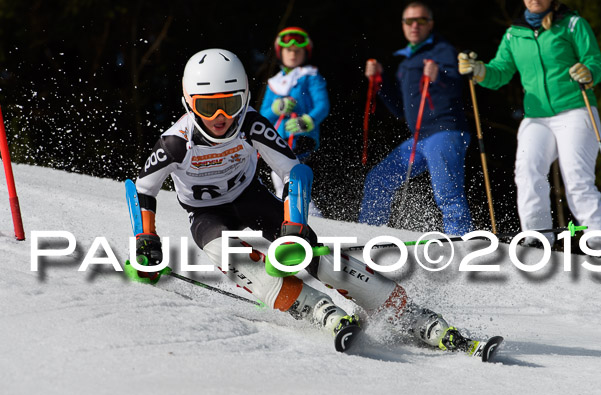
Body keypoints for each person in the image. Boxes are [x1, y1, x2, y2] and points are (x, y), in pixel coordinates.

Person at [131, 48, 479, 354]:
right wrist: (145, 238)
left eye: (230, 104)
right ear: (189, 104)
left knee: (312, 253)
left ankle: (409, 314)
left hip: (251, 197)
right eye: (208, 107)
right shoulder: (176, 143)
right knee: (229, 256)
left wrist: (293, 224)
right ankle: (317, 309)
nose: (221, 118)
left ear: (246, 97)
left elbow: (294, 173)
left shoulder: (252, 124)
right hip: (206, 214)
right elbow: (142, 189)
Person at [458, 0, 601, 248]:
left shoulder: (572, 25)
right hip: (536, 117)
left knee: (577, 179)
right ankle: (537, 239)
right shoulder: (514, 34)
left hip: (575, 110)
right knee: (527, 171)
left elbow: (595, 62)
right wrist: (479, 70)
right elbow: (500, 72)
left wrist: (588, 73)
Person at [359, 1, 473, 236]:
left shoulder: (443, 51)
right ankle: (366, 236)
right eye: (409, 21)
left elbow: (459, 86)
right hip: (420, 138)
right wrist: (379, 81)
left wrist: (439, 74)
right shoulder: (407, 62)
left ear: (430, 24)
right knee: (378, 180)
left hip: (445, 131)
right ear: (403, 25)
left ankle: (461, 242)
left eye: (420, 20)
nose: (414, 25)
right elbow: (401, 109)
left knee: (447, 194)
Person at [260, 27, 329, 215]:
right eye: (288, 50)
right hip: (278, 139)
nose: (292, 53)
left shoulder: (311, 77)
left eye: (297, 51)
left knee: (290, 173)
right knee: (279, 174)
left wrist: (308, 120)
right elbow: (262, 116)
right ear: (280, 53)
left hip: (303, 138)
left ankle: (308, 213)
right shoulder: (275, 82)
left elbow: (322, 105)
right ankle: (288, 209)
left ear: (305, 53)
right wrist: (275, 109)